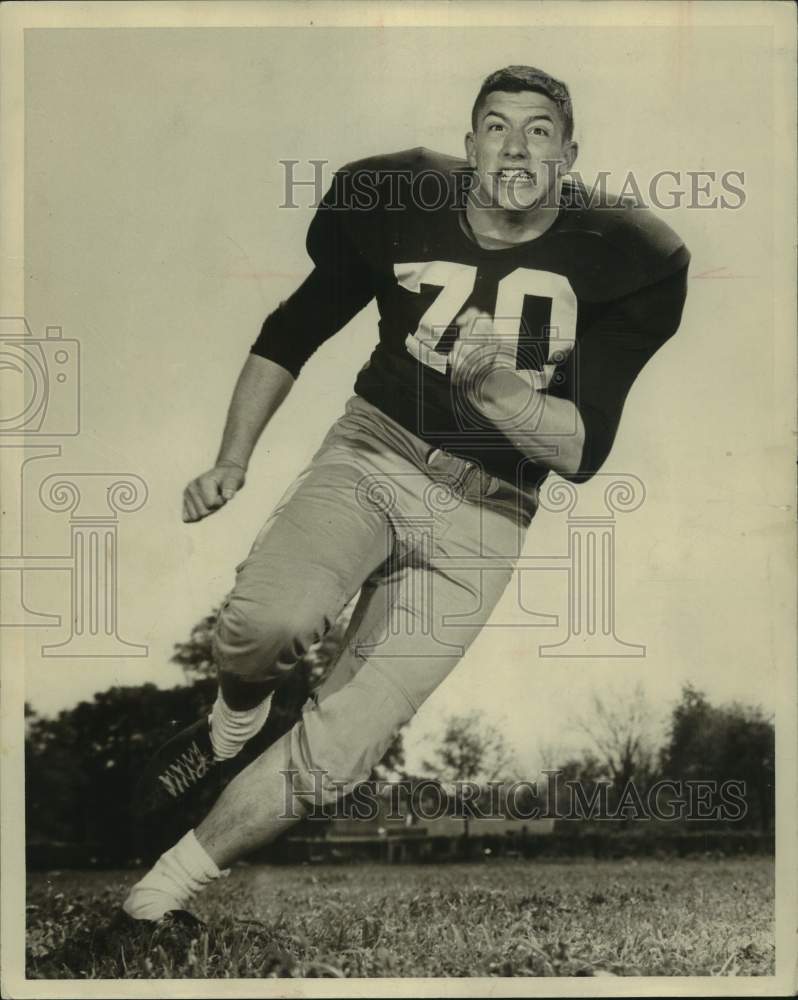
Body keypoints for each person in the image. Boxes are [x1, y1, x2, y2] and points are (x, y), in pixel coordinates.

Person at [122, 65, 689, 925]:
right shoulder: (397, 199)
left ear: (571, 156)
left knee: (348, 743)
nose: (515, 146)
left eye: (539, 130)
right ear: (468, 148)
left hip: (492, 509)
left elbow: (584, 449)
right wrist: (231, 457)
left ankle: (157, 899)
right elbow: (294, 328)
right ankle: (232, 726)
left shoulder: (629, 256)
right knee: (260, 627)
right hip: (375, 452)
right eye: (496, 126)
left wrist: (505, 398)